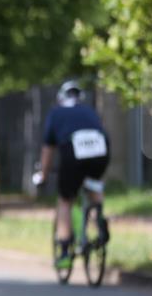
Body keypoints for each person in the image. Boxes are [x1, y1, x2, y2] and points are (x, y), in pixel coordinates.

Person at [33, 80, 110, 269]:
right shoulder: (89, 110)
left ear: (61, 98)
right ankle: (101, 223)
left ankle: (65, 251)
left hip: (73, 151)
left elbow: (48, 150)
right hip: (101, 150)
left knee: (65, 200)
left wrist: (43, 175)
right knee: (93, 185)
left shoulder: (56, 113)